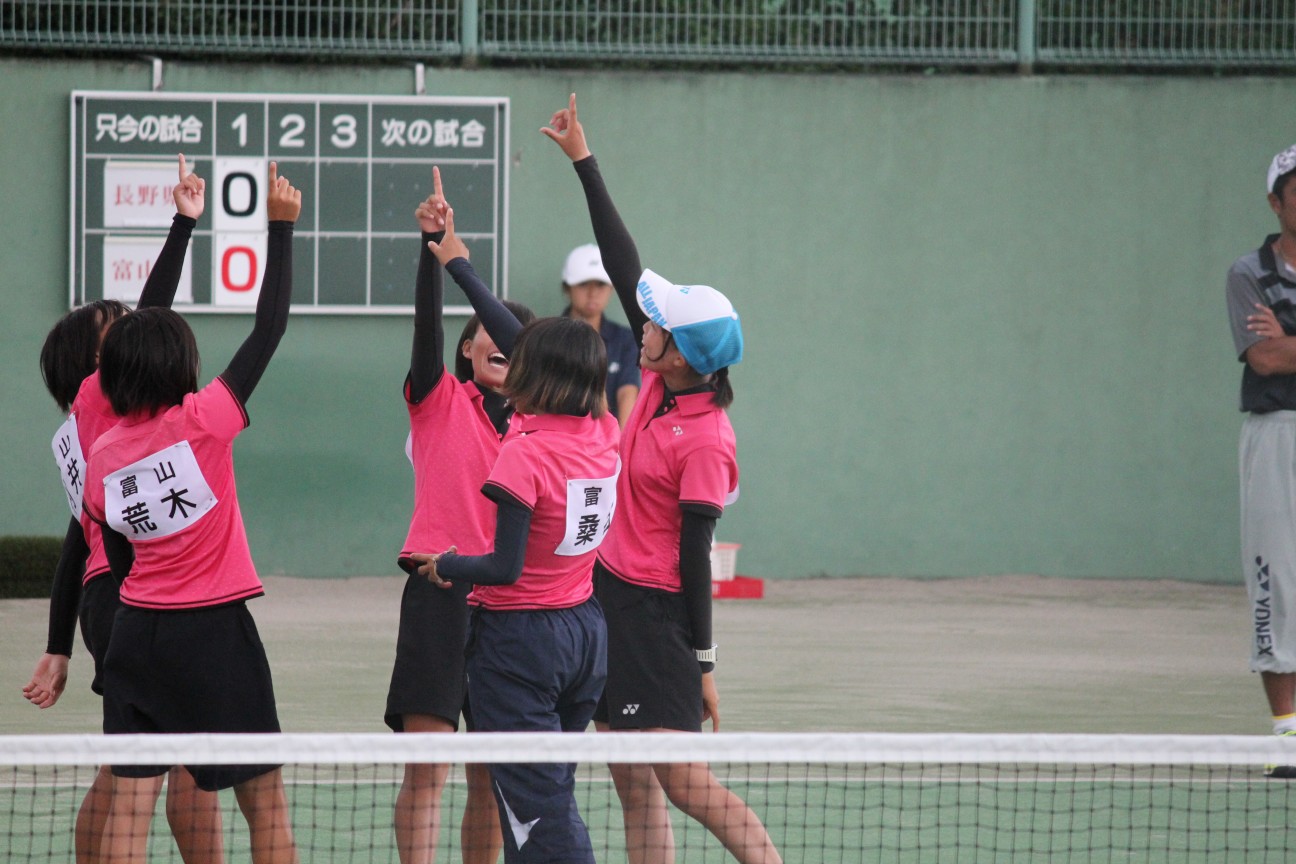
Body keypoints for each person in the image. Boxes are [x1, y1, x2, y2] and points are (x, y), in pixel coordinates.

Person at [543, 94, 782, 862]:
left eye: (657, 322)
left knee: (681, 778)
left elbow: (695, 557)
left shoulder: (707, 438)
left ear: (678, 352)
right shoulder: (659, 383)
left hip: (656, 616)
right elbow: (624, 261)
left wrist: (703, 660)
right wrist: (585, 161)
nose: (641, 321)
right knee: (629, 776)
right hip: (608, 594)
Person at [83, 162, 302, 864]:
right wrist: (281, 227)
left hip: (135, 632)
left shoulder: (106, 450)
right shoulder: (205, 420)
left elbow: (116, 550)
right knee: (265, 803)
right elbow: (268, 330)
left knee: (131, 799)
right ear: (180, 366)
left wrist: (182, 222)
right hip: (212, 634)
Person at [26, 154, 224, 863]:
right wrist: (183, 223)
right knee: (176, 766)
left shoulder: (91, 426)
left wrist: (56, 648)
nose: (133, 328)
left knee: (132, 765)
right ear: (92, 361)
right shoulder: (98, 398)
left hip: (117, 598)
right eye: (116, 327)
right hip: (139, 600)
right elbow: (158, 309)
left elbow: (75, 545)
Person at [412, 204, 620, 864]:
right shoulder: (602, 433)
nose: (509, 353)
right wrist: (457, 264)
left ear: (535, 375)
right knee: (535, 794)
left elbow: (502, 566)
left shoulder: (524, 454)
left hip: (518, 643)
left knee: (541, 812)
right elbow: (522, 342)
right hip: (585, 635)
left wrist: (446, 563)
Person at [386, 167, 534, 864]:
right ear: (468, 348)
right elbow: (425, 329)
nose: (495, 339)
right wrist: (432, 247)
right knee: (430, 768)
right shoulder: (437, 399)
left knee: (490, 775)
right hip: (439, 593)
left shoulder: (543, 427)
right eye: (481, 330)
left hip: (511, 602)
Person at [1228, 143, 1296, 779]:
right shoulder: (1248, 272)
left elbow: (1286, 348)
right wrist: (1282, 349)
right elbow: (1267, 360)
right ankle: (1287, 739)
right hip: (1276, 436)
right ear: (1276, 202)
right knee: (1275, 581)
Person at [560, 242, 640, 427]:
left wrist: (621, 449)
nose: (593, 293)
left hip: (609, 447)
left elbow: (628, 393)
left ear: (611, 289)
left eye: (600, 285)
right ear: (567, 288)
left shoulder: (626, 340)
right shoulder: (547, 337)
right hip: (557, 441)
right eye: (583, 284)